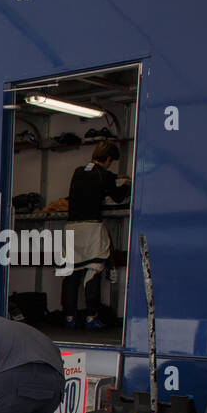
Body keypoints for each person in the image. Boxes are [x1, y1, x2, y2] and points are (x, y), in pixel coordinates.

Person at [63, 141, 131, 330]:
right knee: (93, 271)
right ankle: (91, 317)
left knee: (71, 273)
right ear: (108, 159)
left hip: (71, 228)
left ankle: (69, 317)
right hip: (91, 228)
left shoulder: (78, 171)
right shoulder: (105, 175)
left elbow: (93, 177)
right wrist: (126, 183)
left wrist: (113, 176)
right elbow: (118, 196)